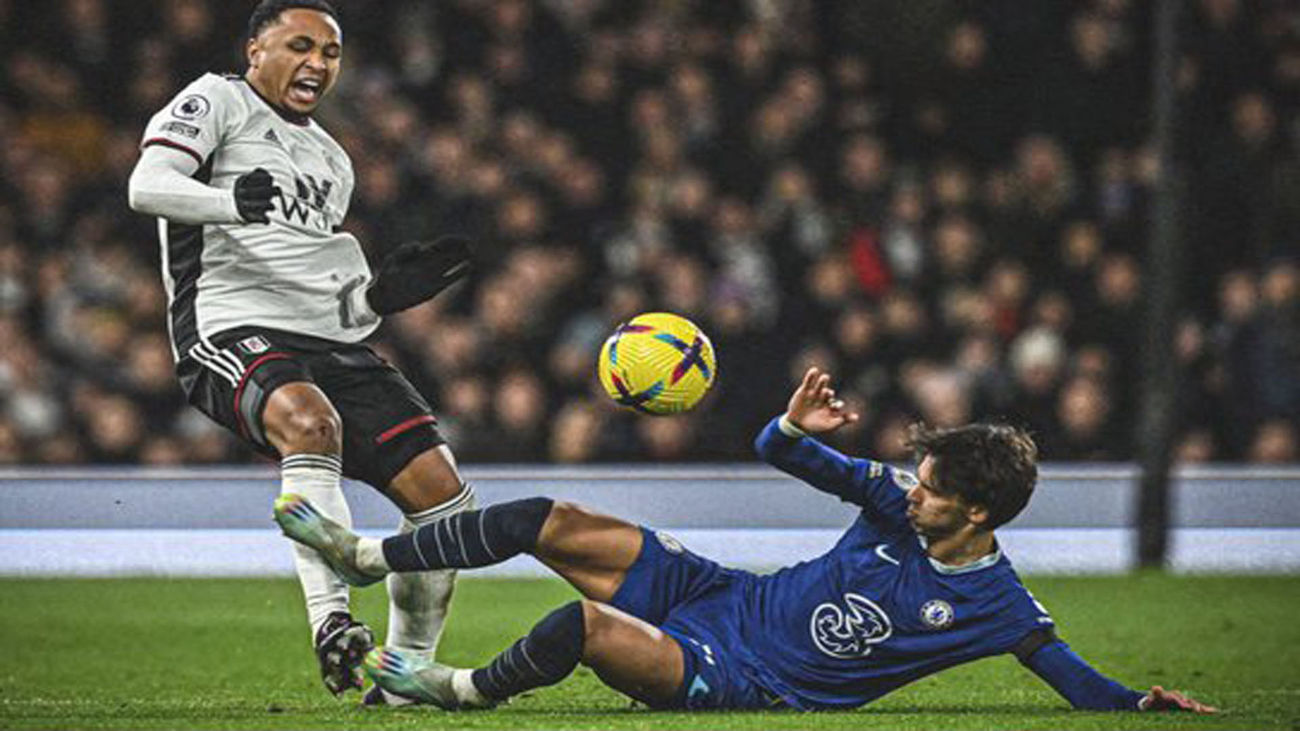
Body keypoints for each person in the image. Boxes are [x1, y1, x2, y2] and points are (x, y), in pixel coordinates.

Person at [274, 367, 1218, 714]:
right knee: (542, 519)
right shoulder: (896, 505)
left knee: (581, 627)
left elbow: (1072, 679)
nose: (912, 487)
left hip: (736, 675)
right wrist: (798, 423)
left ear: (978, 514)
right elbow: (777, 450)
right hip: (713, 591)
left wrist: (1143, 704)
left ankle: (458, 690)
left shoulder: (997, 604)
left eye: (933, 487)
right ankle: (366, 556)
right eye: (918, 475)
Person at [127, 0, 475, 702]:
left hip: (325, 339)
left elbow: (335, 300)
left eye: (331, 52)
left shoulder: (331, 160)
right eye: (300, 45)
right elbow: (146, 187)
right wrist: (232, 202)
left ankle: (402, 677)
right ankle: (332, 622)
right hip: (227, 328)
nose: (317, 62)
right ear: (256, 49)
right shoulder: (215, 99)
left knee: (446, 499)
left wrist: (380, 299)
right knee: (311, 423)